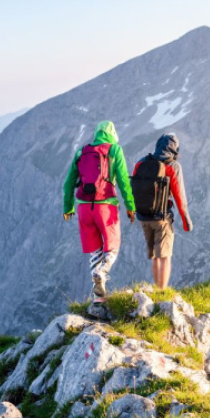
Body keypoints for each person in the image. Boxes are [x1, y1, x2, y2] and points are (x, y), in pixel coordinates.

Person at [62, 120, 135, 302]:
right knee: (113, 246)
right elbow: (124, 181)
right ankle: (102, 272)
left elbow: (68, 183)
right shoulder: (114, 150)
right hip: (106, 206)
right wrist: (130, 206)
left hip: (84, 208)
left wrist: (68, 207)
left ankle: (98, 300)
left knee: (95, 250)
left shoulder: (82, 152)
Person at [130, 132, 192, 289]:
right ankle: (162, 292)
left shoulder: (142, 162)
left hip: (144, 217)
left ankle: (157, 288)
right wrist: (186, 221)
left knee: (155, 257)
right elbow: (179, 195)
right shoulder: (172, 166)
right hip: (162, 218)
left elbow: (134, 188)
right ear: (174, 149)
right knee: (164, 256)